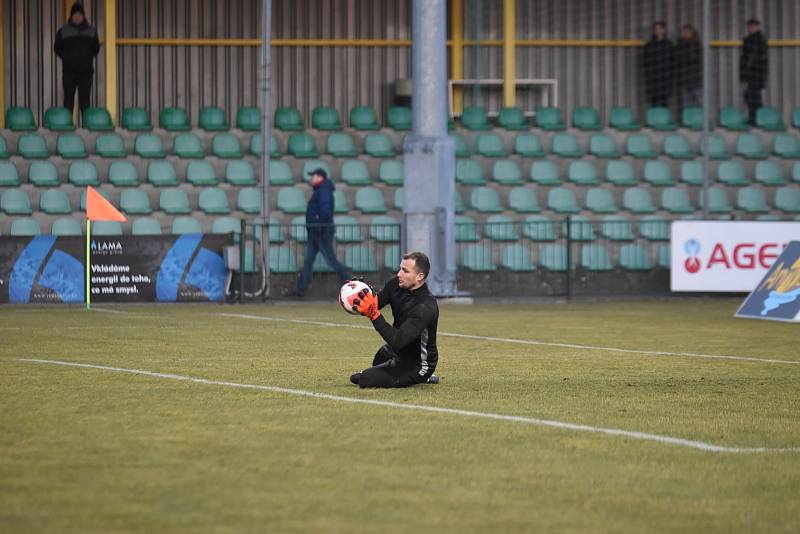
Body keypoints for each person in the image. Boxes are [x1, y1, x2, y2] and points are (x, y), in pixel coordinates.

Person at [349, 251, 440, 388]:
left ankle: (423, 377)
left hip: (418, 363)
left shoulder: (425, 306)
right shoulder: (395, 285)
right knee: (380, 357)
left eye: (405, 271)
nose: (399, 274)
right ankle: (392, 369)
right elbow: (374, 304)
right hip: (398, 351)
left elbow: (398, 341)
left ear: (419, 276)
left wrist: (374, 315)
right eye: (400, 268)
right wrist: (359, 293)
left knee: (366, 378)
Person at [292, 168, 350, 297]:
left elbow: (325, 211)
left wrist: (317, 222)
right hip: (316, 231)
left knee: (331, 260)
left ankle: (352, 285)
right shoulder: (322, 190)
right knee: (309, 261)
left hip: (321, 231)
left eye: (313, 176)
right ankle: (301, 289)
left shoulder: (323, 190)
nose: (311, 179)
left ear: (320, 177)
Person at [54, 3, 100, 117]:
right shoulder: (63, 31)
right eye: (75, 14)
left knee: (85, 101)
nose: (77, 17)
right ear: (71, 16)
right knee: (68, 100)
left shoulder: (91, 31)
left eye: (80, 14)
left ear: (83, 16)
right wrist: (67, 58)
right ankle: (67, 127)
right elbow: (57, 48)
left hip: (86, 72)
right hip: (69, 72)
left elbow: (96, 48)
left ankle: (87, 127)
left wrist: (86, 58)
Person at [740, 18, 769, 125]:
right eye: (749, 26)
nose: (750, 28)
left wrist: (748, 69)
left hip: (756, 73)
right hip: (750, 74)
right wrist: (744, 74)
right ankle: (754, 118)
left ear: (757, 27)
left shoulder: (759, 39)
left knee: (754, 97)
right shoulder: (748, 39)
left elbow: (756, 58)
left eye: (752, 26)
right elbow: (745, 58)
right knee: (750, 96)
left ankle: (757, 119)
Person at [643, 21, 675, 108]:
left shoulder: (669, 44)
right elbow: (646, 63)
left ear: (664, 30)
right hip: (654, 80)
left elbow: (673, 62)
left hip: (665, 79)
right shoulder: (649, 45)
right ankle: (654, 120)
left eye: (660, 28)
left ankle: (664, 120)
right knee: (654, 103)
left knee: (665, 104)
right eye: (656, 29)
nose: (658, 30)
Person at [675, 24, 702, 110]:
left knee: (699, 102)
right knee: (685, 105)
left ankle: (701, 121)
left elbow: (695, 58)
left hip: (695, 80)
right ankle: (687, 122)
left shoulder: (696, 44)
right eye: (684, 32)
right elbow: (677, 59)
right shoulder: (679, 44)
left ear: (692, 33)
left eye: (687, 32)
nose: (685, 33)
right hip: (683, 80)